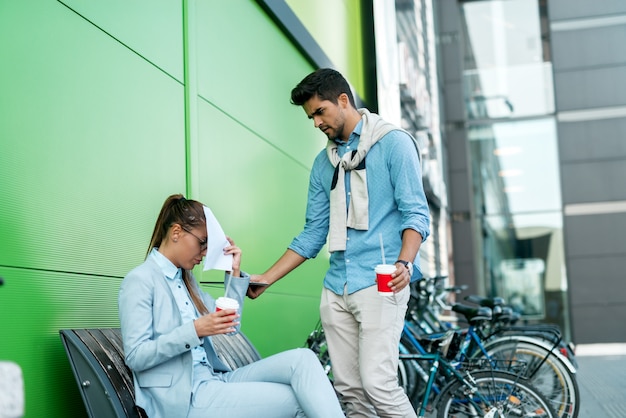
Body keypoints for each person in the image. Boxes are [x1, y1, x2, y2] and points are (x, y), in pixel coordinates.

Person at [248, 68, 430, 417]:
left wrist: (405, 263)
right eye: (310, 117)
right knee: (350, 392)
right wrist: (267, 279)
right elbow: (314, 232)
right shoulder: (323, 164)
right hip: (337, 286)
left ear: (343, 100)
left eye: (319, 112)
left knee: (378, 383)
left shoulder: (393, 143)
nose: (316, 123)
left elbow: (416, 214)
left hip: (381, 282)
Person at [118, 194, 344, 418]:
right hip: (184, 396)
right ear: (176, 232)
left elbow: (230, 326)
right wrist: (195, 330)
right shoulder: (140, 280)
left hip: (213, 379)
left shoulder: (186, 280)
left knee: (303, 360)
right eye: (202, 242)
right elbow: (137, 356)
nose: (205, 253)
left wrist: (233, 272)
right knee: (298, 401)